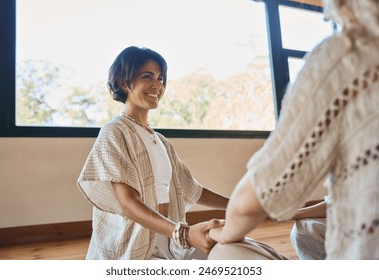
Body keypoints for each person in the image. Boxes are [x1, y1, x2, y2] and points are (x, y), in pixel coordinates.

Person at [208, 0, 379, 259]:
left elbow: (250, 202)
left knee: (224, 254)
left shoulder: (349, 56)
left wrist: (216, 234)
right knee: (305, 230)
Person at [77, 46, 228, 260]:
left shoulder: (161, 141)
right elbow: (128, 204)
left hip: (170, 244)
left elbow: (192, 189)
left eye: (161, 78)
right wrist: (183, 232)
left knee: (239, 253)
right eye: (147, 76)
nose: (157, 85)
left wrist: (241, 207)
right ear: (123, 82)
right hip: (133, 251)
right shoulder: (114, 132)